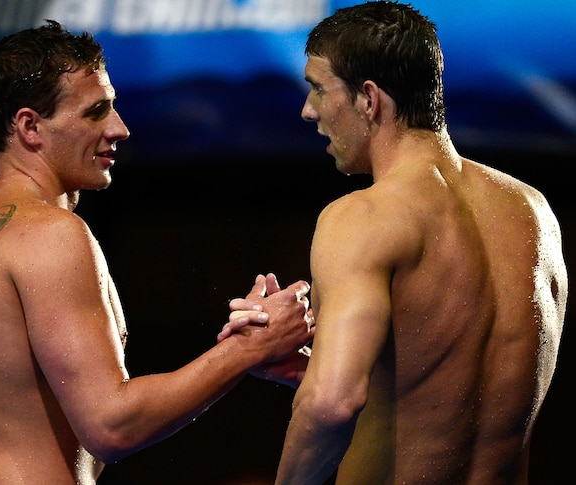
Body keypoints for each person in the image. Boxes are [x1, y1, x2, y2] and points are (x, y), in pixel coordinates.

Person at [0, 20, 315, 485]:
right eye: (95, 112)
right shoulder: (49, 234)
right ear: (29, 126)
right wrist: (251, 347)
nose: (119, 129)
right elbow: (111, 426)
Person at [223, 2, 568, 484]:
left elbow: (332, 405)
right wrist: (310, 367)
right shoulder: (534, 213)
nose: (308, 110)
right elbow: (459, 386)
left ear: (369, 98)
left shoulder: (362, 217)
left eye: (319, 89)